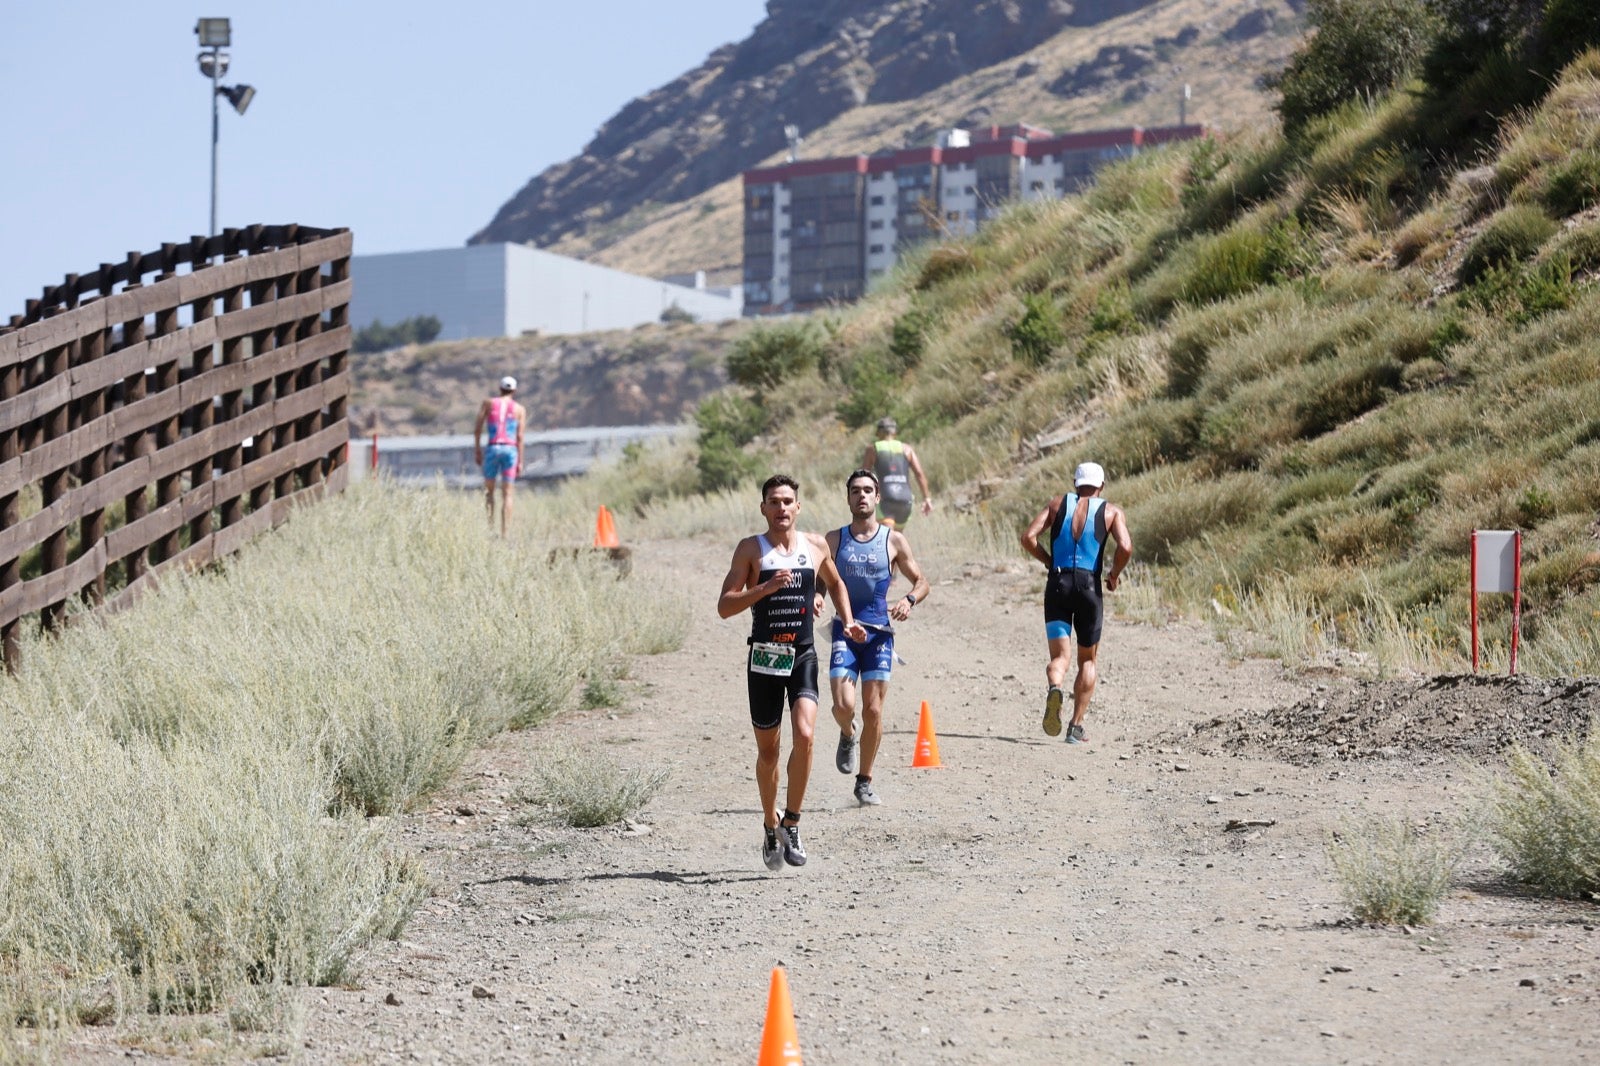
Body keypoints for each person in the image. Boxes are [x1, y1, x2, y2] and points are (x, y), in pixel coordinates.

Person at [718, 474, 866, 871]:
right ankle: (770, 824)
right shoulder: (751, 549)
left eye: (788, 501)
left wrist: (847, 620)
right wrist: (763, 590)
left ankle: (793, 822)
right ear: (763, 508)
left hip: (801, 654)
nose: (781, 508)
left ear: (798, 507)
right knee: (768, 753)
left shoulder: (815, 546)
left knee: (805, 734)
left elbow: (836, 585)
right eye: (774, 502)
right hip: (765, 658)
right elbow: (725, 606)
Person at [824, 469, 929, 806]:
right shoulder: (834, 539)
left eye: (868, 490)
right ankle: (846, 733)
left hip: (879, 635)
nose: (862, 496)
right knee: (843, 706)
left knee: (873, 710)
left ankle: (864, 781)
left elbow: (922, 581)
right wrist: (814, 595)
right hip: (844, 629)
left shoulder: (893, 540)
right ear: (848, 498)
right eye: (855, 491)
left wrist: (909, 600)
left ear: (878, 497)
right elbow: (817, 577)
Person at [1019, 462, 1133, 744]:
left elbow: (1028, 537)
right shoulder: (1111, 511)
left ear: (1075, 483)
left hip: (1058, 584)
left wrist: (1049, 561)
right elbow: (1126, 547)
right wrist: (1114, 575)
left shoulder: (1058, 504)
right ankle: (1075, 726)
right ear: (1102, 486)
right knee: (1088, 660)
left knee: (1060, 658)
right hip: (1088, 587)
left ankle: (1055, 686)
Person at [473, 376, 527, 536]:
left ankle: (490, 529)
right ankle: (505, 533)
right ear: (514, 391)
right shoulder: (519, 409)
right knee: (508, 494)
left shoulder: (488, 403)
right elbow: (520, 436)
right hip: (510, 450)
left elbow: (477, 428)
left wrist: (477, 449)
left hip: (493, 448)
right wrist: (521, 461)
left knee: (489, 492)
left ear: (500, 388)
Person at [861, 417, 932, 528]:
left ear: (879, 432)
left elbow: (863, 476)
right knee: (896, 541)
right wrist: (926, 498)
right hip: (905, 500)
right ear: (895, 432)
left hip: (885, 499)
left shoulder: (873, 449)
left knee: (886, 541)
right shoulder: (907, 449)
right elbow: (919, 474)